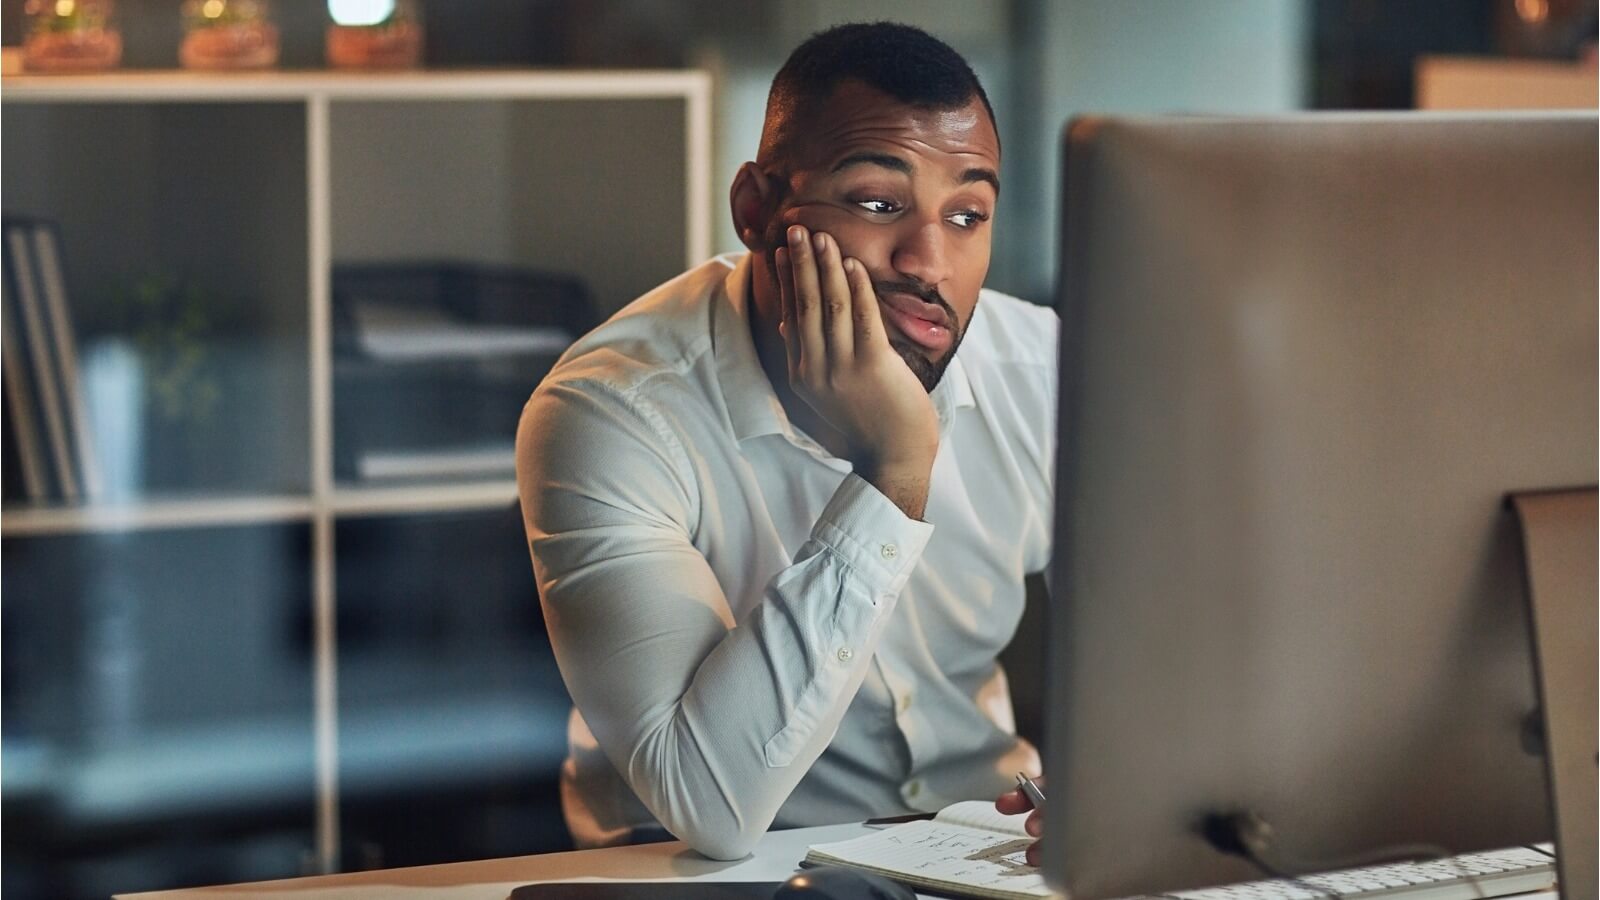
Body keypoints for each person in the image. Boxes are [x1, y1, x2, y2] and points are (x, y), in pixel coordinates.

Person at [516, 21, 1057, 861]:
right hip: (693, 869)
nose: (929, 260)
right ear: (756, 210)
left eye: (967, 214)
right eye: (878, 203)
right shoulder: (610, 409)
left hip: (977, 848)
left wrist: (1128, 786)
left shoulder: (1041, 371)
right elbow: (710, 805)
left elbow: (1182, 640)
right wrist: (894, 470)